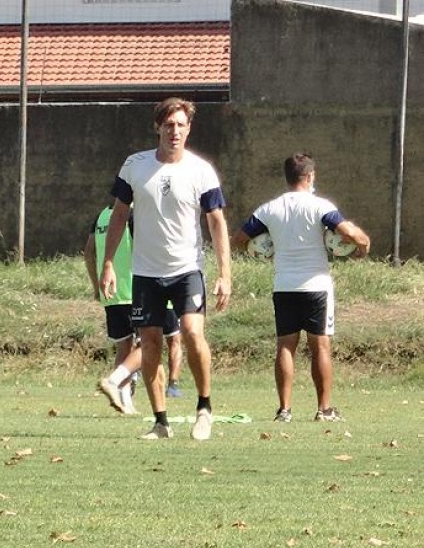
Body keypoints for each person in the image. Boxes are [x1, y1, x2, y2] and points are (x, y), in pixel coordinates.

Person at [100, 97, 232, 441]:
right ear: (157, 127)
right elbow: (118, 214)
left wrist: (224, 274)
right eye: (169, 125)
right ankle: (161, 421)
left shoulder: (201, 170)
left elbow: (216, 222)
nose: (174, 131)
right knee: (151, 342)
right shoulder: (135, 166)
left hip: (187, 269)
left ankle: (204, 408)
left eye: (181, 125)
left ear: (189, 129)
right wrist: (109, 263)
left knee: (191, 332)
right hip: (146, 272)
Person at [232, 153, 370, 423]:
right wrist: (363, 244)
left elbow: (238, 239)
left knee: (285, 346)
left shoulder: (270, 209)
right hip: (316, 285)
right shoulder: (320, 206)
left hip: (284, 285)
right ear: (309, 177)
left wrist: (261, 252)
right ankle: (324, 410)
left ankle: (284, 410)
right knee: (320, 347)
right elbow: (349, 234)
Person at [84, 205, 184, 414]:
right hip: (135, 290)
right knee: (148, 345)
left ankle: (125, 401)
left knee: (124, 347)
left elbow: (89, 252)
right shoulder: (134, 214)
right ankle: (114, 380)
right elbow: (146, 248)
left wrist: (96, 285)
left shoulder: (101, 215)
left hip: (110, 293)